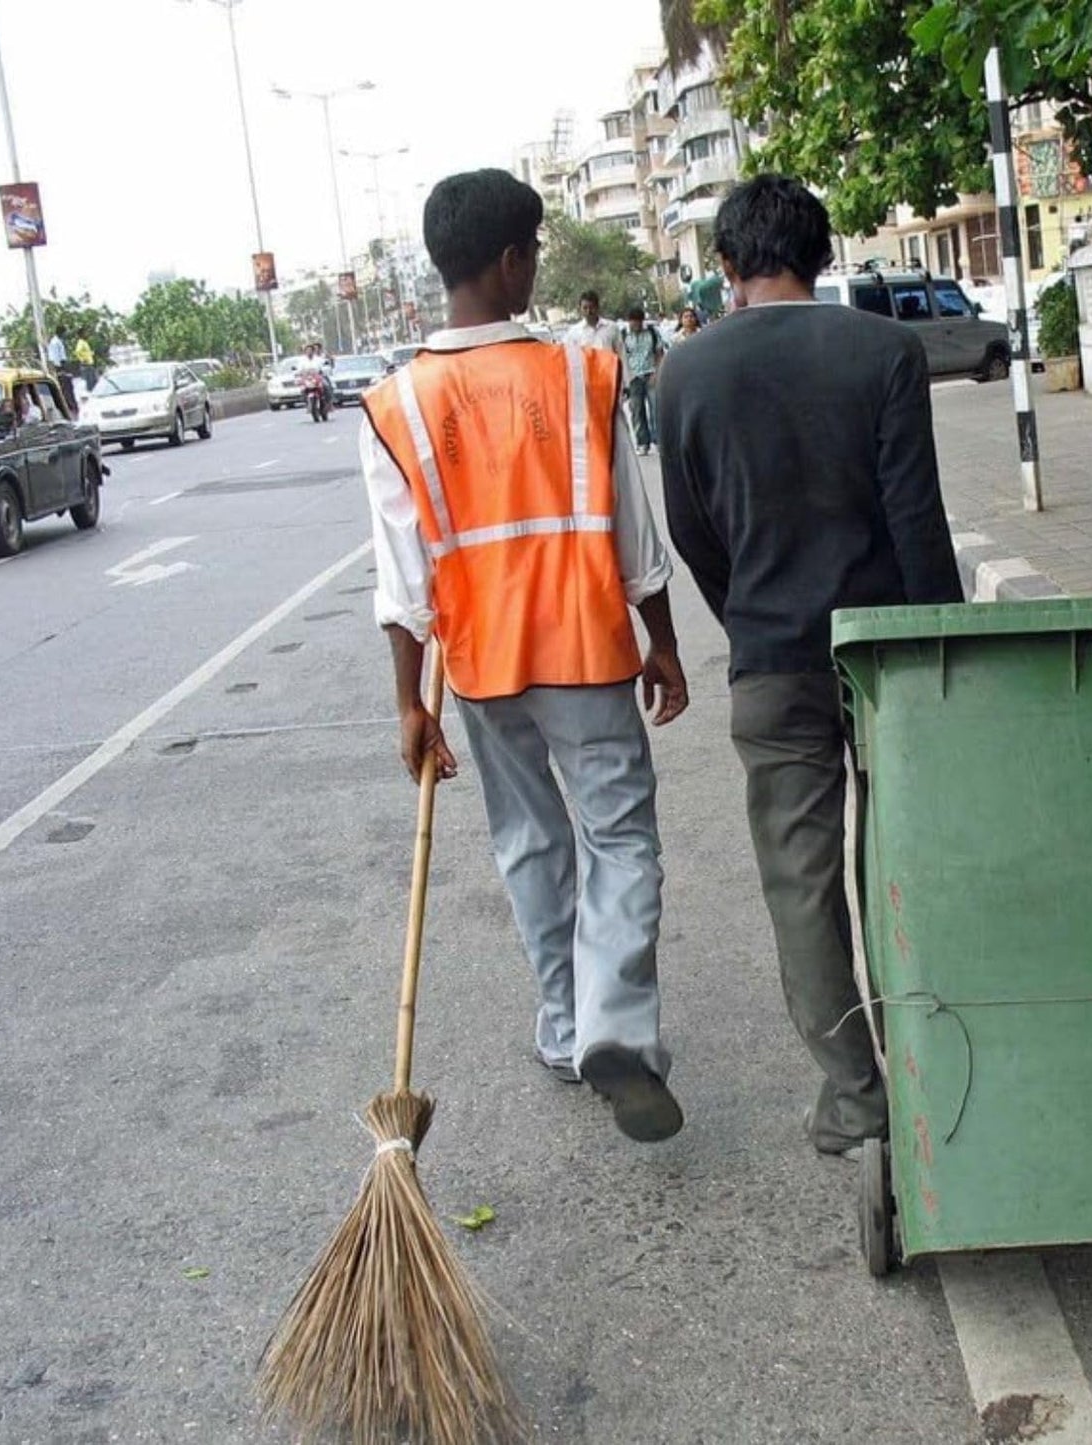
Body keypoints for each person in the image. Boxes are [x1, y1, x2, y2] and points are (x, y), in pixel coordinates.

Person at [361, 168, 690, 1143]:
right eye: (534, 250)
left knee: (530, 841)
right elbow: (635, 537)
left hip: (481, 667)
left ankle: (563, 1024)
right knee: (619, 839)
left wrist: (410, 704)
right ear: (510, 261)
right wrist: (663, 643)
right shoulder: (582, 374)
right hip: (584, 647)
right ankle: (613, 1024)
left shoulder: (397, 403)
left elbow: (401, 581)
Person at [656, 175, 963, 1160]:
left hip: (771, 663)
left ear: (726, 266)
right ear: (822, 255)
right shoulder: (883, 352)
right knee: (907, 857)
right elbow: (916, 522)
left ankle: (855, 1095)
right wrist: (946, 653)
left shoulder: (681, 376)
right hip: (888, 657)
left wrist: (748, 615)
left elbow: (694, 535)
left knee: (802, 885)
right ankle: (944, 1060)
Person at [621, 305, 663, 457]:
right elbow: (621, 357)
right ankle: (642, 443)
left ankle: (659, 441)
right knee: (637, 411)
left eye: (638, 322)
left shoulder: (651, 332)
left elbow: (659, 352)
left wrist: (657, 372)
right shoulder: (623, 335)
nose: (635, 325)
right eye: (632, 322)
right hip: (633, 377)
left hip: (651, 374)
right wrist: (625, 378)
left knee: (656, 409)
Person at [564, 290, 622, 357]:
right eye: (585, 308)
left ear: (597, 307)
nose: (588, 311)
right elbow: (569, 356)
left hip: (608, 363)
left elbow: (621, 353)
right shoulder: (574, 332)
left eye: (591, 307)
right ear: (580, 309)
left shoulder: (611, 328)